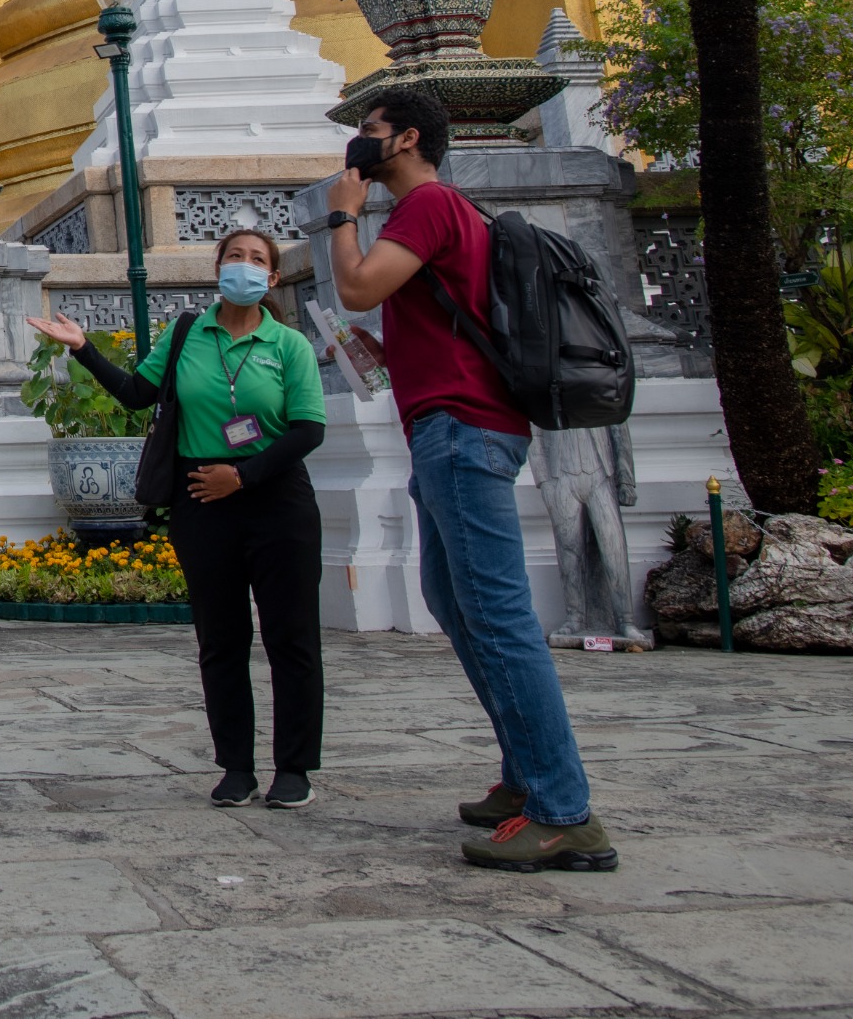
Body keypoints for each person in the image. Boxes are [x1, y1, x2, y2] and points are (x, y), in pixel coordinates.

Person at [327, 86, 616, 873]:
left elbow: (355, 285)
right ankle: (527, 780)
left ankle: (565, 810)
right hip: (450, 424)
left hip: (462, 429)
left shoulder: (425, 205)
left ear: (408, 138)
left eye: (370, 130)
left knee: (498, 616)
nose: (359, 142)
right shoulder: (443, 214)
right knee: (459, 603)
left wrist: (341, 213)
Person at [33, 229, 324, 808]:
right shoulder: (188, 331)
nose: (244, 267)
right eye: (234, 257)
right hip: (200, 499)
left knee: (292, 639)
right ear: (217, 268)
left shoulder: (287, 344)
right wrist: (82, 348)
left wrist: (241, 476)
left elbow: (308, 429)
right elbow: (139, 393)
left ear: (272, 279)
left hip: (275, 499)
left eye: (257, 261)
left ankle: (293, 767)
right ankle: (235, 765)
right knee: (221, 640)